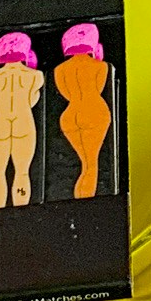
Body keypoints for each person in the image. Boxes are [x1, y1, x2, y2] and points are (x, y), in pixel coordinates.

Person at [0, 31, 42, 209]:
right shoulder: (35, 76)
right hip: (23, 121)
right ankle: (20, 211)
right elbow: (33, 100)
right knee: (22, 172)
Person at [53, 25, 113, 201]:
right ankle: (86, 201)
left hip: (71, 114)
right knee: (91, 163)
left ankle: (79, 198)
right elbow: (98, 88)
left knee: (83, 162)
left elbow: (65, 92)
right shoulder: (100, 66)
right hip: (94, 110)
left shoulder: (60, 70)